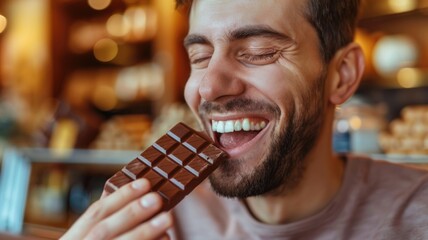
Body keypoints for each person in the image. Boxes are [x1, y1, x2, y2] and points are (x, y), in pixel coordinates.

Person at [62, 0, 428, 239]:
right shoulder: (157, 223)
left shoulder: (416, 217)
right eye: (200, 56)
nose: (209, 87)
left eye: (258, 52)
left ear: (342, 75)